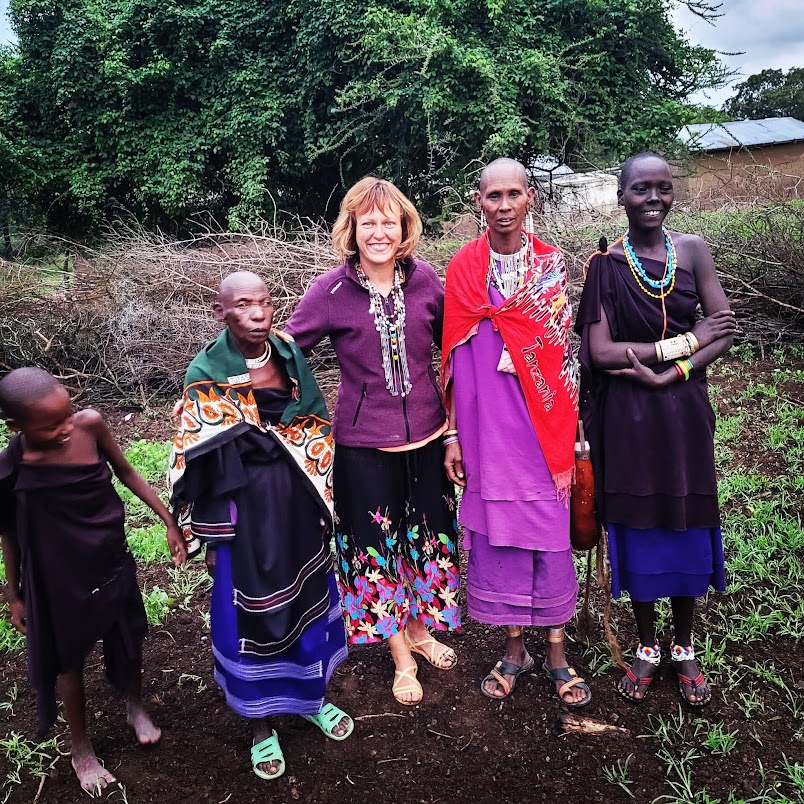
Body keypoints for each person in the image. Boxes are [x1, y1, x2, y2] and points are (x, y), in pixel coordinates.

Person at [168, 271, 352, 782]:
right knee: (248, 616)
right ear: (221, 312)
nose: (257, 313)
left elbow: (312, 423)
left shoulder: (290, 354)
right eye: (244, 305)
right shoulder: (205, 373)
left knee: (309, 598)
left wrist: (320, 493)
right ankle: (259, 724)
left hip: (296, 501)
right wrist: (209, 536)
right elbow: (197, 461)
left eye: (265, 302)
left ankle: (312, 699)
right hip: (244, 515)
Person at [285, 177, 460, 706]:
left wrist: (453, 432)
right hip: (362, 449)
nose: (379, 232)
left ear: (404, 227)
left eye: (389, 222)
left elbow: (455, 357)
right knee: (376, 553)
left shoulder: (428, 280)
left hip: (427, 441)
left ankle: (422, 632)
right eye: (369, 223)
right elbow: (286, 351)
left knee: (424, 542)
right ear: (352, 229)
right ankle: (401, 657)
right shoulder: (331, 291)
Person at [575, 152, 737, 706]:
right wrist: (681, 344)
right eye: (641, 189)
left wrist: (676, 370)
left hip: (685, 412)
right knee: (640, 526)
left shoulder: (693, 251)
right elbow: (599, 352)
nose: (654, 198)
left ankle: (684, 644)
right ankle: (646, 645)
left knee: (686, 521)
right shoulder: (605, 265)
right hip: (629, 419)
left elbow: (725, 330)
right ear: (620, 197)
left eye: (663, 188)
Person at [442, 158, 591, 706]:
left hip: (541, 426)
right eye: (492, 196)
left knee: (548, 536)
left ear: (530, 197)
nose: (503, 206)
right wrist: (453, 437)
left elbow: (560, 362)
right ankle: (513, 649)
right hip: (486, 429)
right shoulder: (462, 269)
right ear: (478, 201)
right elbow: (454, 361)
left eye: (513, 194)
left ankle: (556, 652)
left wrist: (570, 438)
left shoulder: (551, 267)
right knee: (500, 535)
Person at [0, 367, 186, 795]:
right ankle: (80, 747)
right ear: (17, 427)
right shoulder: (14, 469)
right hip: (55, 578)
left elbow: (127, 472)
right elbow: (9, 534)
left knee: (128, 634)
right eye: (51, 425)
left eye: (68, 415)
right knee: (68, 660)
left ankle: (135, 706)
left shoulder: (91, 425)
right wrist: (14, 594)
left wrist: (168, 520)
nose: (66, 428)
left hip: (109, 556)